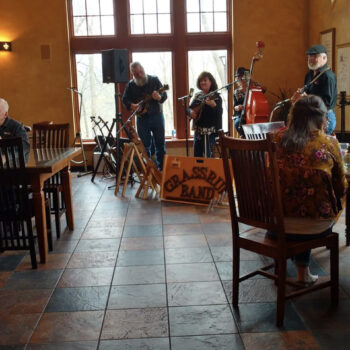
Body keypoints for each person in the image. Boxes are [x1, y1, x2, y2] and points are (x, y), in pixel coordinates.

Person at [271, 95, 347, 284]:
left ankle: (282, 264)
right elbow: (340, 187)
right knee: (323, 202)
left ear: (293, 117)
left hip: (273, 223)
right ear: (322, 119)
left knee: (288, 196)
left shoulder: (277, 139)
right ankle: (302, 273)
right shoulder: (329, 143)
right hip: (314, 226)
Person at [122, 62, 167, 170]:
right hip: (142, 119)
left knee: (160, 144)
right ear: (133, 75)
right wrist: (132, 105)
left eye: (141, 71)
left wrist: (159, 97)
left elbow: (164, 96)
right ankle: (148, 170)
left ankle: (162, 170)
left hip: (157, 116)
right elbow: (124, 100)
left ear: (143, 69)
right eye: (136, 74)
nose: (140, 75)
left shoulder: (154, 80)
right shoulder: (131, 85)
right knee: (144, 146)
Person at [291, 44, 337, 135]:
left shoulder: (328, 76)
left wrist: (306, 98)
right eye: (309, 56)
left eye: (315, 56)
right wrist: (298, 97)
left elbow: (327, 103)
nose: (311, 59)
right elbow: (306, 93)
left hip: (324, 117)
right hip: (310, 116)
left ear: (324, 58)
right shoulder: (309, 75)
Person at [188, 71, 222, 157]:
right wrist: (190, 112)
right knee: (197, 156)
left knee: (209, 157)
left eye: (205, 80)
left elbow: (219, 113)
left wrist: (214, 105)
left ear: (211, 82)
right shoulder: (198, 95)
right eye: (201, 81)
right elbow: (189, 108)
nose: (202, 82)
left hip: (210, 133)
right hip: (198, 132)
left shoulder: (216, 96)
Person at [233, 67, 266, 137]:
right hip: (241, 116)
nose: (242, 79)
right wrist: (238, 107)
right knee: (238, 123)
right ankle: (246, 141)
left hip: (253, 115)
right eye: (239, 77)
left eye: (243, 76)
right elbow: (235, 107)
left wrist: (252, 81)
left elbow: (264, 89)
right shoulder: (237, 92)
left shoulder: (254, 87)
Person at [0, 98, 30, 162]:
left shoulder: (17, 127)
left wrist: (6, 156)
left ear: (5, 114)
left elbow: (25, 148)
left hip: (13, 165)